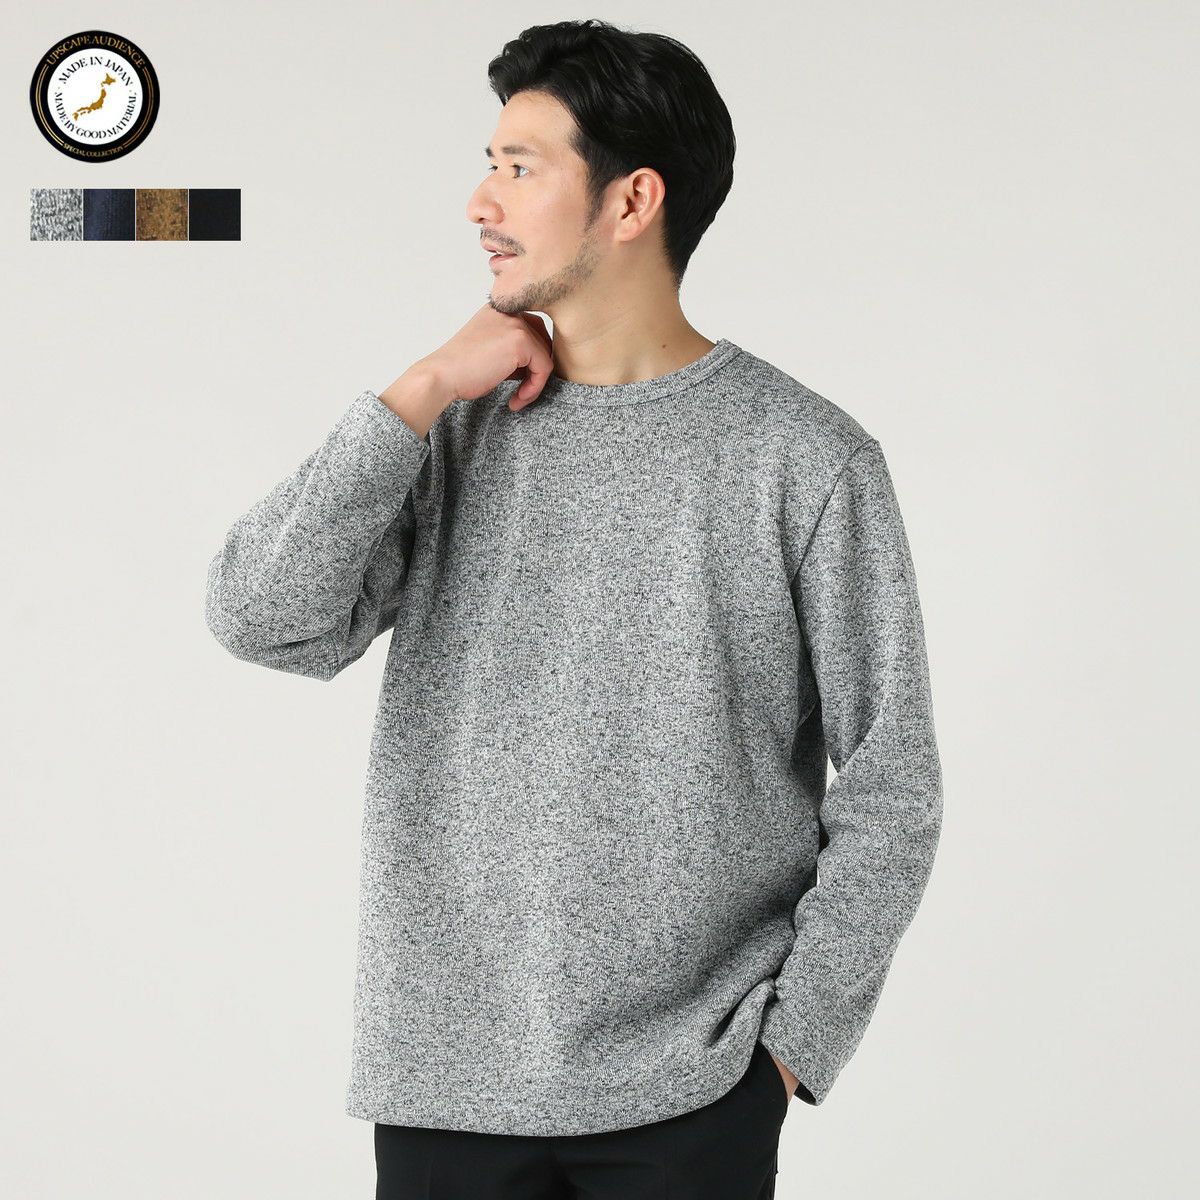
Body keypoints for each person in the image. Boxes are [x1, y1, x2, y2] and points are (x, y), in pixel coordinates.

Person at [204, 18, 943, 1199]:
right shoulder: (452, 430)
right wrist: (418, 389)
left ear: (632, 200)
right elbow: (263, 618)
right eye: (489, 164)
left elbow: (894, 782)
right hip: (446, 1085)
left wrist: (793, 1046)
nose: (479, 202)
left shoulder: (806, 459)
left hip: (695, 1092)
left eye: (519, 166)